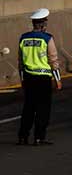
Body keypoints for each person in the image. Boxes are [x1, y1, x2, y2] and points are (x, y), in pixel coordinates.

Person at [17, 8, 61, 146]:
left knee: (28, 108)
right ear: (43, 25)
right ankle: (39, 137)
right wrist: (58, 79)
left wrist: (22, 79)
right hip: (43, 79)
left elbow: (21, 62)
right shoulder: (47, 39)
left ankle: (23, 136)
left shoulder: (24, 38)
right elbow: (53, 60)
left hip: (29, 78)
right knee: (43, 109)